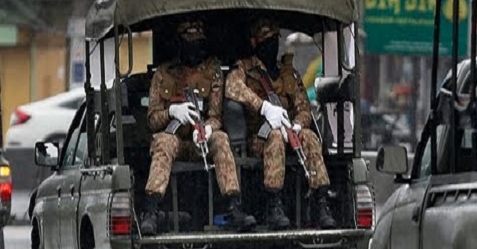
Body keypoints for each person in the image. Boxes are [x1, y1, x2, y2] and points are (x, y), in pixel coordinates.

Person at [139, 21, 255, 235]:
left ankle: (233, 205)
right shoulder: (163, 75)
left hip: (199, 141)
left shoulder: (212, 73)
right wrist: (173, 112)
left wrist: (207, 129)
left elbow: (216, 116)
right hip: (175, 141)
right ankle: (151, 210)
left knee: (220, 138)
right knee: (163, 141)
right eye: (189, 42)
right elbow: (152, 120)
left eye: (197, 43)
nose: (194, 49)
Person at [226, 18, 336, 230]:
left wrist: (296, 125)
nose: (271, 45)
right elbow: (232, 87)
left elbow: (303, 107)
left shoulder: (288, 73)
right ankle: (274, 205)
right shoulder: (244, 69)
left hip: (289, 135)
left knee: (310, 137)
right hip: (259, 138)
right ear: (254, 42)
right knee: (274, 136)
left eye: (274, 39)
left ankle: (320, 201)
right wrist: (264, 107)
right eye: (265, 40)